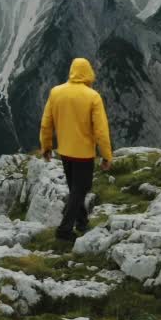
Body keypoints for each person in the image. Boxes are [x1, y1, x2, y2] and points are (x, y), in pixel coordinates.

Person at [39, 57, 113, 242]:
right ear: (88, 73)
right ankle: (64, 230)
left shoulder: (56, 92)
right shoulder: (92, 96)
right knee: (81, 188)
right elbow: (101, 130)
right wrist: (106, 155)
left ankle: (82, 222)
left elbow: (46, 123)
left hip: (65, 151)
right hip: (83, 153)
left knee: (75, 188)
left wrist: (46, 146)